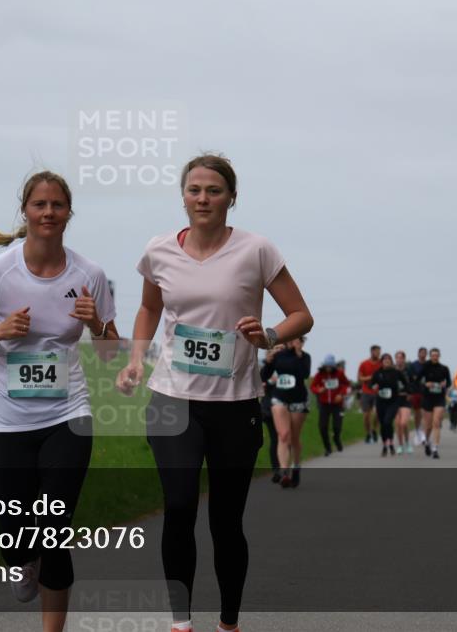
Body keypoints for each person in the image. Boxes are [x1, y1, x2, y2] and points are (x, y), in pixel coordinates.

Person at [115, 154, 313, 632]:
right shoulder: (159, 250)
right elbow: (148, 309)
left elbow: (301, 315)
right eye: (194, 190)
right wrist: (136, 358)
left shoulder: (256, 250)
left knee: (226, 522)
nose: (203, 198)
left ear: (232, 198)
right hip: (173, 398)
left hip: (235, 404)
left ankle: (228, 621)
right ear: (183, 196)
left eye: (214, 190)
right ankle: (180, 623)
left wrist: (268, 334)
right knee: (180, 506)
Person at [0, 171, 119, 632]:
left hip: (68, 415)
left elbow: (109, 354)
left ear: (69, 213)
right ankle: (21, 560)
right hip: (8, 420)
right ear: (25, 211)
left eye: (57, 205)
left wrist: (97, 322)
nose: (48, 213)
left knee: (54, 529)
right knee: (16, 536)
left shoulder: (90, 275)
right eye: (40, 205)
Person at [262, 338, 312, 486]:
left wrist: (298, 353)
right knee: (283, 435)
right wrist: (269, 361)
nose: (294, 342)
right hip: (279, 398)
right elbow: (264, 376)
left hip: (298, 400)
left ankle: (296, 467)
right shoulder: (279, 354)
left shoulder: (305, 357)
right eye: (292, 339)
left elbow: (305, 374)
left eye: (298, 340)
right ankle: (284, 472)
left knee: (294, 438)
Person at [310, 354, 349, 456]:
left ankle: (336, 438)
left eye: (330, 366)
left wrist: (341, 394)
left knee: (337, 426)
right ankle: (328, 448)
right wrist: (319, 390)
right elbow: (313, 386)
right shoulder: (319, 375)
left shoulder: (339, 374)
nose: (328, 368)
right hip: (324, 404)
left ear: (333, 366)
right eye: (326, 366)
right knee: (322, 427)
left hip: (337, 404)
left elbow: (346, 384)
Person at [418, 347, 451, 459]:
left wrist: (444, 384)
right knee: (428, 426)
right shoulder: (425, 367)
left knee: (436, 423)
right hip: (427, 398)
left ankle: (435, 449)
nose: (435, 357)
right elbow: (418, 380)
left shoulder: (444, 368)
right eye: (433, 355)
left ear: (439, 356)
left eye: (436, 355)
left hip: (439, 398)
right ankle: (427, 442)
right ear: (430, 356)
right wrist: (425, 384)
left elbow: (449, 382)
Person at [370, 353, 404, 456]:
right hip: (381, 401)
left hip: (393, 401)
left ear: (391, 361)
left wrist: (404, 390)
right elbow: (371, 384)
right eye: (384, 359)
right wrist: (374, 386)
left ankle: (391, 443)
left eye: (388, 359)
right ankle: (385, 445)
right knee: (383, 424)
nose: (386, 361)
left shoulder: (396, 372)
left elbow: (406, 383)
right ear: (382, 362)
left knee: (387, 421)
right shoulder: (377, 373)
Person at [259, 353, 281, 482]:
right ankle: (276, 469)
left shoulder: (287, 366)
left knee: (284, 438)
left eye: (280, 348)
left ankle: (285, 467)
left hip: (285, 406)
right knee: (275, 439)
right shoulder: (266, 367)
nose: (278, 350)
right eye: (276, 348)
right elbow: (260, 380)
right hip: (269, 409)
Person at [357, 345, 382, 443]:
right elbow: (360, 378)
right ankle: (368, 433)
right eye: (377, 352)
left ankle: (374, 430)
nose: (378, 354)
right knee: (366, 416)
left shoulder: (381, 363)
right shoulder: (364, 364)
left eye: (379, 352)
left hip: (378, 392)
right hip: (366, 391)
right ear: (372, 352)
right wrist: (371, 378)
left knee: (377, 413)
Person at [393, 350, 415, 454]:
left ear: (404, 359)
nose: (399, 360)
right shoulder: (391, 371)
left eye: (401, 358)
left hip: (405, 399)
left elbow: (414, 383)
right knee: (397, 424)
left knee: (404, 423)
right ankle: (400, 445)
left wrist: (410, 393)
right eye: (397, 358)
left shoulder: (409, 370)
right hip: (394, 400)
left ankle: (407, 443)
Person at [410, 347, 428, 444]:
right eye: (421, 352)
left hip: (427, 393)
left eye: (425, 353)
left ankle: (424, 436)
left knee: (425, 414)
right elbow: (413, 378)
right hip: (416, 392)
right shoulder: (413, 365)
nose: (423, 354)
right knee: (417, 415)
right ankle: (417, 432)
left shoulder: (429, 365)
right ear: (418, 354)